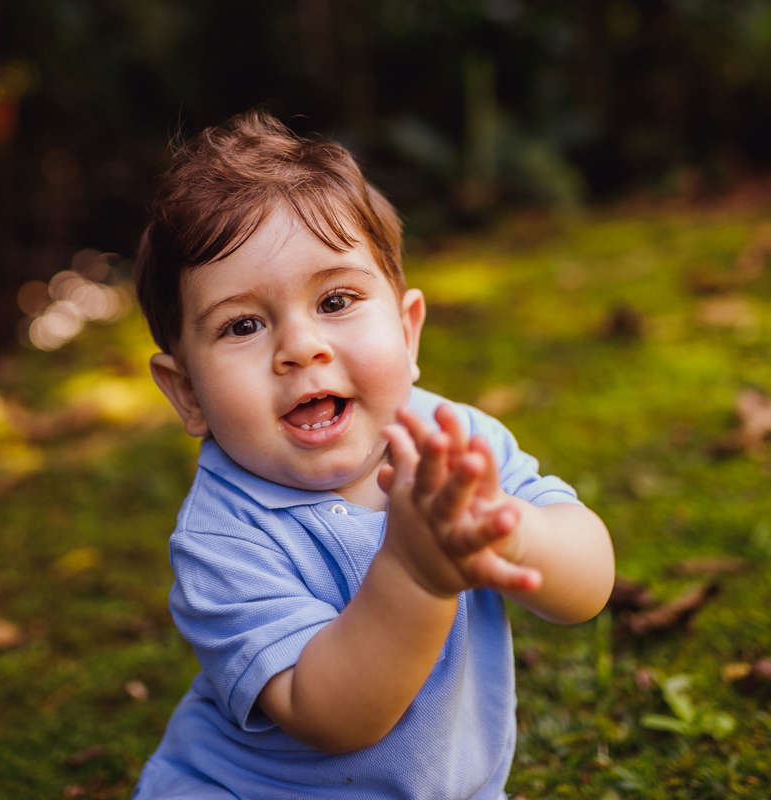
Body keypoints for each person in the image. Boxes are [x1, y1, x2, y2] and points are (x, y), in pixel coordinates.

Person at [130, 110, 615, 800]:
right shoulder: (222, 539)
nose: (301, 347)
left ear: (409, 332)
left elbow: (587, 585)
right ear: (188, 394)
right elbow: (333, 715)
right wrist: (415, 574)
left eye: (335, 299)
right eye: (243, 325)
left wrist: (513, 531)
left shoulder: (454, 439)